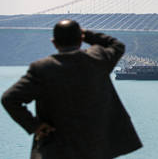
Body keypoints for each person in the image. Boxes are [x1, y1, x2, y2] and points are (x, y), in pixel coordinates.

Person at [1, 20, 142, 159]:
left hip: (56, 151)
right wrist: (86, 34)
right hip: (97, 148)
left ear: (54, 43)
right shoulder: (98, 59)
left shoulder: (42, 69)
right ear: (81, 40)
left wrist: (35, 126)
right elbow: (116, 45)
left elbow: (9, 99)